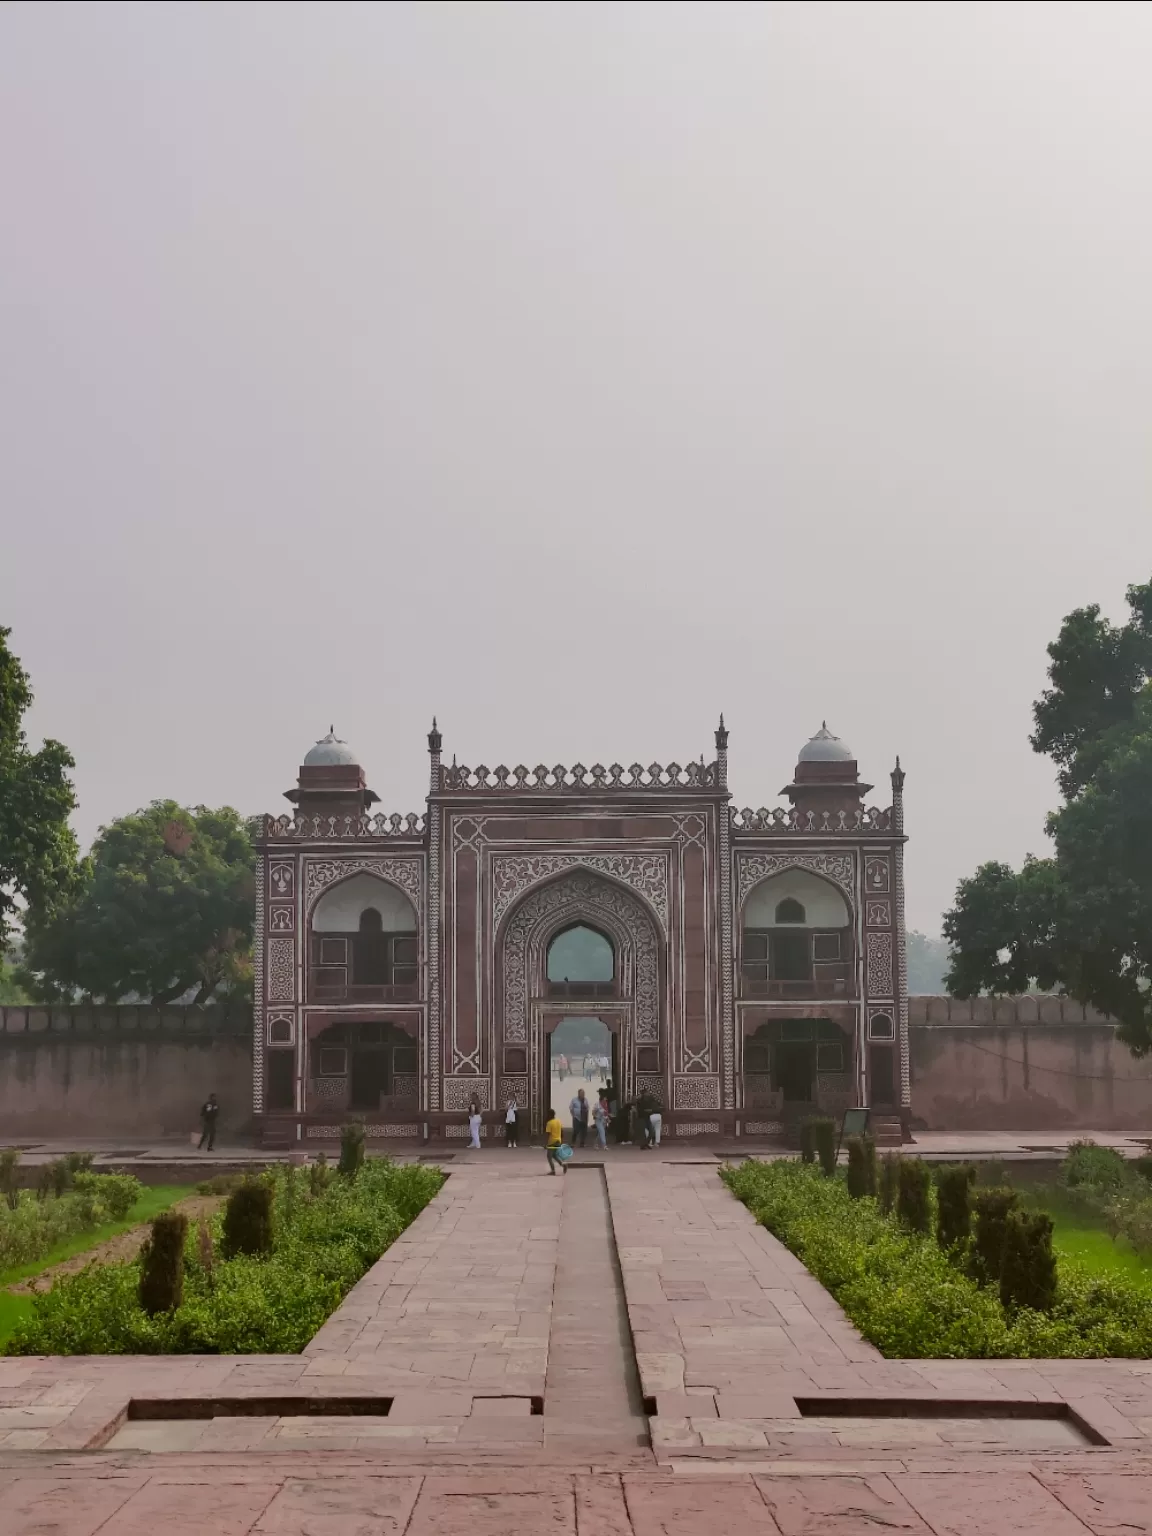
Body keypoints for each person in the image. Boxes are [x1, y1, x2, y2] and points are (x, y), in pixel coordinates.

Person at [545, 1105, 566, 1175]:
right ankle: (563, 1164)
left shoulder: (549, 1123)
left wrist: (546, 1144)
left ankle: (553, 1171)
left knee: (549, 1156)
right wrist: (561, 1140)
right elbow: (562, 1132)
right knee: (554, 1155)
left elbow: (548, 1134)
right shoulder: (558, 1121)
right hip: (558, 1141)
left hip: (552, 1142)